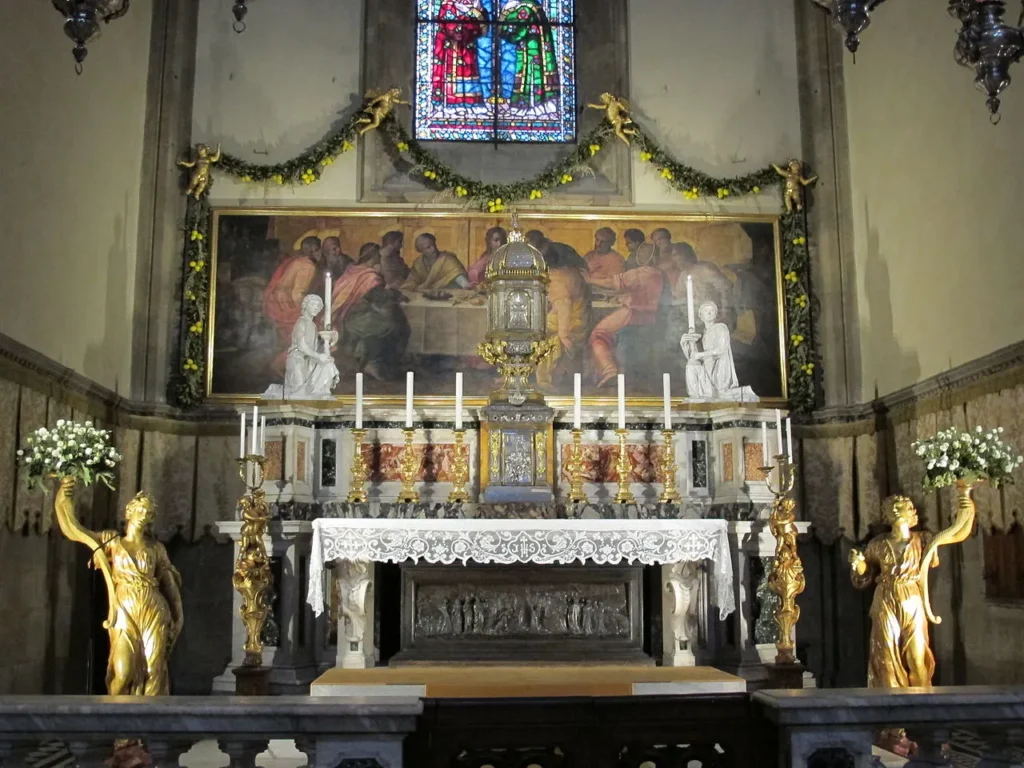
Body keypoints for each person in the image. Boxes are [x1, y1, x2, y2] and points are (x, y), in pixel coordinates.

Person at [53, 482, 184, 696]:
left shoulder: (156, 548)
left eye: (149, 512)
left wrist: (179, 616)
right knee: (122, 673)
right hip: (124, 610)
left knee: (154, 670)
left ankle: (151, 723)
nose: (144, 514)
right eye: (140, 509)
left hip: (154, 608)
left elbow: (169, 585)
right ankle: (112, 720)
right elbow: (74, 530)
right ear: (129, 512)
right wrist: (63, 499)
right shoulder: (111, 541)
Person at [850, 496, 937, 689]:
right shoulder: (878, 544)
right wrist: (858, 565)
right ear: (885, 515)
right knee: (885, 656)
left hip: (912, 598)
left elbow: (956, 533)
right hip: (886, 598)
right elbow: (867, 573)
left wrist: (966, 500)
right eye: (892, 508)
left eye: (902, 507)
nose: (897, 510)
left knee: (917, 658)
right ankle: (889, 705)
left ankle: (923, 705)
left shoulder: (923, 540)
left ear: (912, 512)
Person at [585, 260, 664, 387]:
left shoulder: (641, 272)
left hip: (633, 313)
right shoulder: (660, 274)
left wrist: (589, 280)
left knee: (598, 334)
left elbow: (612, 282)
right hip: (651, 317)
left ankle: (609, 370)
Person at [331, 259, 411, 381]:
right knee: (392, 326)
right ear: (373, 259)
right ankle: (372, 364)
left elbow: (376, 296)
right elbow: (376, 295)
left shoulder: (352, 270)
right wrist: (394, 295)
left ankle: (373, 362)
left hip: (350, 314)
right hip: (359, 317)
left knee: (393, 323)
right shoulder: (370, 276)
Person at [537, 244, 590, 388]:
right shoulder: (571, 271)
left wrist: (563, 335)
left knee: (531, 328)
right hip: (581, 316)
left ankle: (540, 378)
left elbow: (564, 305)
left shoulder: (555, 277)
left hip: (572, 322)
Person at [498, 0, 560, 109]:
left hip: (532, 51)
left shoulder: (526, 8)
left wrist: (505, 12)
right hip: (535, 49)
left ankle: (531, 102)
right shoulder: (535, 5)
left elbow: (511, 31)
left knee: (530, 73)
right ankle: (538, 101)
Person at [262, 235, 322, 347]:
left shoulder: (297, 261)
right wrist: (308, 313)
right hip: (285, 308)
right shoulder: (308, 267)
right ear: (311, 251)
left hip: (276, 303)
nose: (321, 253)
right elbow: (297, 295)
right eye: (318, 249)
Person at [680, 301, 742, 399]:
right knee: (691, 365)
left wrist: (700, 355)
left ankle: (714, 390)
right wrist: (686, 342)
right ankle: (695, 398)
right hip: (707, 369)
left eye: (712, 310)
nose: (709, 313)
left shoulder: (721, 328)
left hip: (719, 370)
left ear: (715, 314)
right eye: (706, 311)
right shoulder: (703, 335)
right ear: (701, 316)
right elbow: (692, 356)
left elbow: (721, 349)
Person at [281, 295, 339, 398]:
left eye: (318, 306)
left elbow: (316, 347)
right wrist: (318, 356)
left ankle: (323, 392)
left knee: (328, 366)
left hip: (310, 360)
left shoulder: (313, 326)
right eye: (312, 304)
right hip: (297, 359)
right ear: (305, 306)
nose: (315, 308)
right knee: (298, 392)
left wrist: (331, 340)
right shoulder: (301, 322)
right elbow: (301, 345)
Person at [431, 0, 488, 106]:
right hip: (450, 49)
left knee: (469, 73)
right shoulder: (447, 5)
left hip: (468, 49)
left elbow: (483, 30)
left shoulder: (476, 4)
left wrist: (475, 12)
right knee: (452, 73)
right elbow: (446, 25)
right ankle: (449, 100)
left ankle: (472, 100)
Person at [403, 233, 470, 291]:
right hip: (425, 296)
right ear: (421, 250)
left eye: (433, 245)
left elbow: (457, 274)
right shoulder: (418, 263)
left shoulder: (447, 259)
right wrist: (419, 288)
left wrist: (465, 285)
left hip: (447, 294)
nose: (433, 249)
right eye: (428, 247)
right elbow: (410, 282)